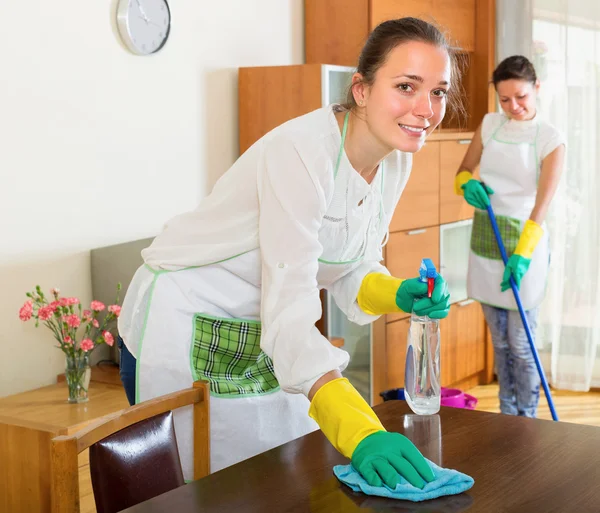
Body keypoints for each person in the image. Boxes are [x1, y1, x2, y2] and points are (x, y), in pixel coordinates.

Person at [118, 17, 458, 487]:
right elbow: (292, 317)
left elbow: (349, 262)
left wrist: (398, 293)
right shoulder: (300, 154)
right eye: (406, 86)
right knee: (201, 487)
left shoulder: (395, 156)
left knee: (279, 475)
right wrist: (361, 432)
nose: (426, 108)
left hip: (267, 327)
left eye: (439, 92)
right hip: (185, 320)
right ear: (360, 89)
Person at [455, 55, 565, 418]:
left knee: (521, 342)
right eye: (504, 99)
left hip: (524, 243)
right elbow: (464, 170)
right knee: (499, 342)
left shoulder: (550, 138)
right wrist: (467, 185)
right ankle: (507, 416)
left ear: (537, 88)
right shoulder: (490, 125)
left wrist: (523, 255)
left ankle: (528, 419)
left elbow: (542, 204)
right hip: (486, 239)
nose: (513, 107)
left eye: (520, 97)